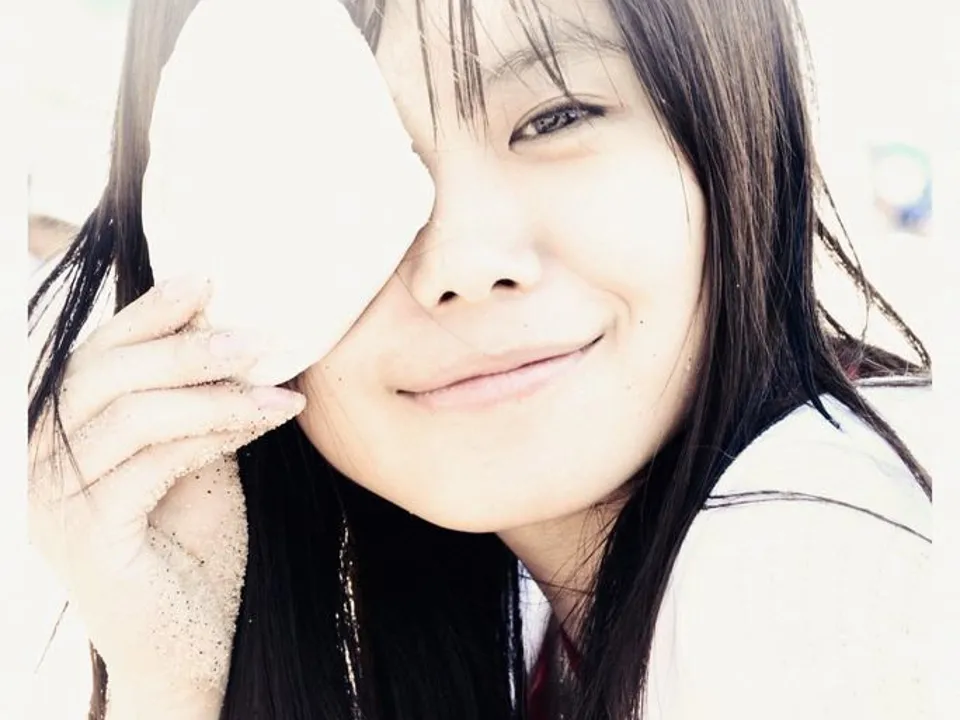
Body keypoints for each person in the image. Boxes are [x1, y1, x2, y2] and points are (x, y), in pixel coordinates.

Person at [27, 0, 932, 719]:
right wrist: (173, 678)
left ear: (738, 121)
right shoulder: (544, 624)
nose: (461, 260)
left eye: (556, 117)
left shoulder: (811, 578)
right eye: (332, 180)